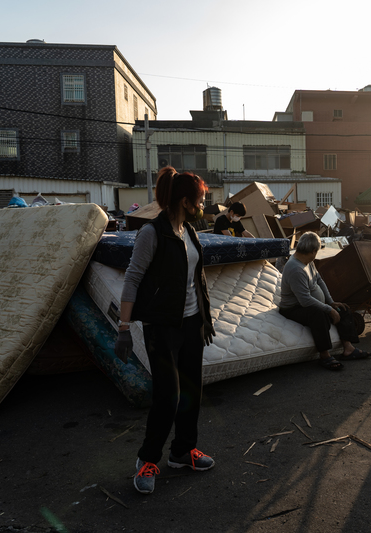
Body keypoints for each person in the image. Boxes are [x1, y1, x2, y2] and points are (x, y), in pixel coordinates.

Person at [114, 166, 217, 495]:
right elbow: (132, 278)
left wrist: (205, 319)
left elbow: (195, 279)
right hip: (162, 326)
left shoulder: (189, 231)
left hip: (191, 323)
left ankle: (183, 451)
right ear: (185, 201)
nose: (204, 206)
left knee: (191, 392)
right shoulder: (152, 233)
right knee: (167, 397)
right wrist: (124, 328)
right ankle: (147, 460)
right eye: (200, 200)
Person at [279, 231, 371, 371]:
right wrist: (328, 309)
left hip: (308, 303)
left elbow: (319, 280)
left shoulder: (307, 262)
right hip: (293, 308)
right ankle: (324, 355)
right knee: (318, 314)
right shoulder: (295, 269)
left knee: (343, 308)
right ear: (313, 251)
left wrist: (331, 302)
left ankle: (348, 348)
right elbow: (305, 301)